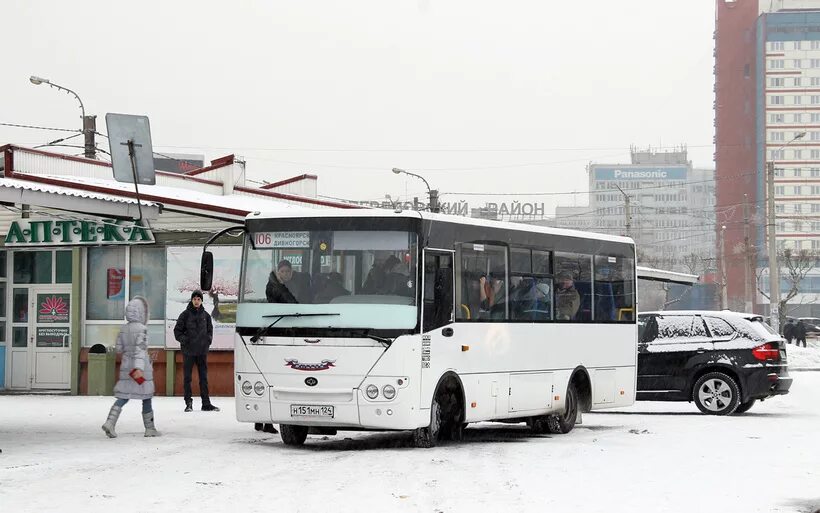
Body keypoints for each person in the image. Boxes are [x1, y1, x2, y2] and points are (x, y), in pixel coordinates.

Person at [101, 296, 159, 438]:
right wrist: (139, 367)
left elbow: (119, 349)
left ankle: (110, 422)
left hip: (126, 368)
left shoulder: (123, 329)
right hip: (139, 369)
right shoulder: (142, 329)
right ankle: (150, 428)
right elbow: (140, 349)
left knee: (123, 396)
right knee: (146, 396)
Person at [174, 290, 219, 412]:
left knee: (203, 378)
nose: (196, 301)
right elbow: (177, 331)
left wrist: (207, 341)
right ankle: (188, 403)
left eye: (199, 299)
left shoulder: (206, 316)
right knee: (187, 378)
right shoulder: (185, 315)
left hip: (201, 352)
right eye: (194, 299)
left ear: (201, 301)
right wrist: (185, 340)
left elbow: (210, 331)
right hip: (188, 352)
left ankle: (206, 403)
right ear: (192, 300)